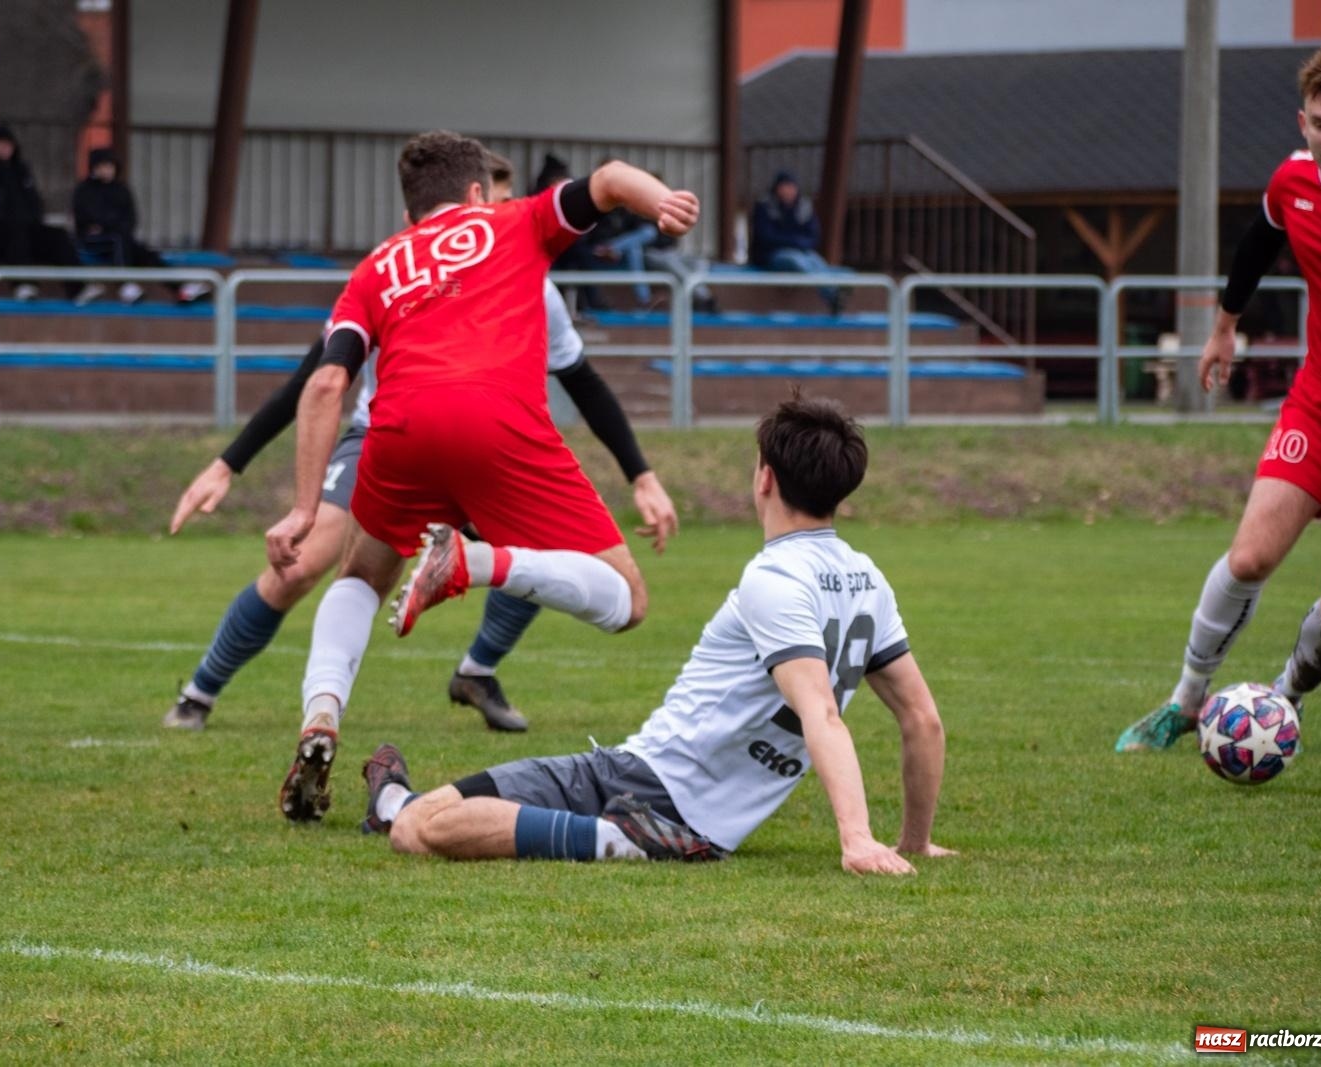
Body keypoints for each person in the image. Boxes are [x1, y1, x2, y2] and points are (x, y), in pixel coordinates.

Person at [266, 131, 699, 823]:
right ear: (476, 193)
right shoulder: (514, 220)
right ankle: (476, 561)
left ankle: (321, 713)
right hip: (498, 422)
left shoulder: (377, 266)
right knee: (627, 597)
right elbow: (612, 177)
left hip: (399, 431)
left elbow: (324, 384)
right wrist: (662, 203)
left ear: (409, 213)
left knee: (361, 576)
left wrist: (301, 509)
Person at [166, 154, 679, 736]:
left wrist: (640, 474)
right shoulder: (451, 251)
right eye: (495, 198)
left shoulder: (461, 270)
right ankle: (201, 690)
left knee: (529, 558)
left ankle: (470, 671)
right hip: (396, 432)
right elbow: (314, 379)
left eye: (506, 199)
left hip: (413, 440)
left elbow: (582, 380)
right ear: (475, 196)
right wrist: (228, 463)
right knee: (304, 567)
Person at [357, 395, 952, 874]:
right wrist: (915, 841)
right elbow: (921, 718)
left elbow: (820, 713)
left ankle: (621, 840)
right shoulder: (867, 579)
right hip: (646, 783)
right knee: (427, 811)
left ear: (765, 478)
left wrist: (857, 839)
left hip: (650, 791)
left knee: (420, 831)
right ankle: (392, 799)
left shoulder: (774, 577)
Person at [1116, 45, 1321, 752]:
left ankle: (1282, 701)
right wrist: (1224, 327)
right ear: (1303, 123)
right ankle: (1185, 703)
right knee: (1250, 557)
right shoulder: (1292, 182)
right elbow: (1259, 242)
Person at [0, 126, 99, 305]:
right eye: (0, 145)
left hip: (25, 229)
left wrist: (32, 219)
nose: (4, 149)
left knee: (57, 236)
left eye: (7, 145)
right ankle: (23, 285)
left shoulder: (22, 172)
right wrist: (2, 219)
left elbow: (35, 203)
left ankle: (78, 288)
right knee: (15, 233)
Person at [72, 146, 210, 305]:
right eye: (103, 165)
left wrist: (107, 225)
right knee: (118, 239)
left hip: (121, 239)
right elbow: (87, 218)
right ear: (94, 168)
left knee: (146, 254)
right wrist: (109, 225)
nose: (107, 170)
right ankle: (125, 286)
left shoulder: (121, 189)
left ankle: (181, 288)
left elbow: (129, 219)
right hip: (92, 242)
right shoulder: (84, 190)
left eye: (110, 165)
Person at [749, 170, 850, 312]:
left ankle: (837, 290)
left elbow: (813, 236)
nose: (788, 190)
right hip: (771, 256)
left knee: (815, 260)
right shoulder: (765, 206)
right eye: (785, 186)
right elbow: (766, 237)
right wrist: (794, 241)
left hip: (802, 251)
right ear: (777, 188)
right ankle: (832, 294)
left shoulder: (803, 207)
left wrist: (797, 242)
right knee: (796, 260)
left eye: (791, 186)